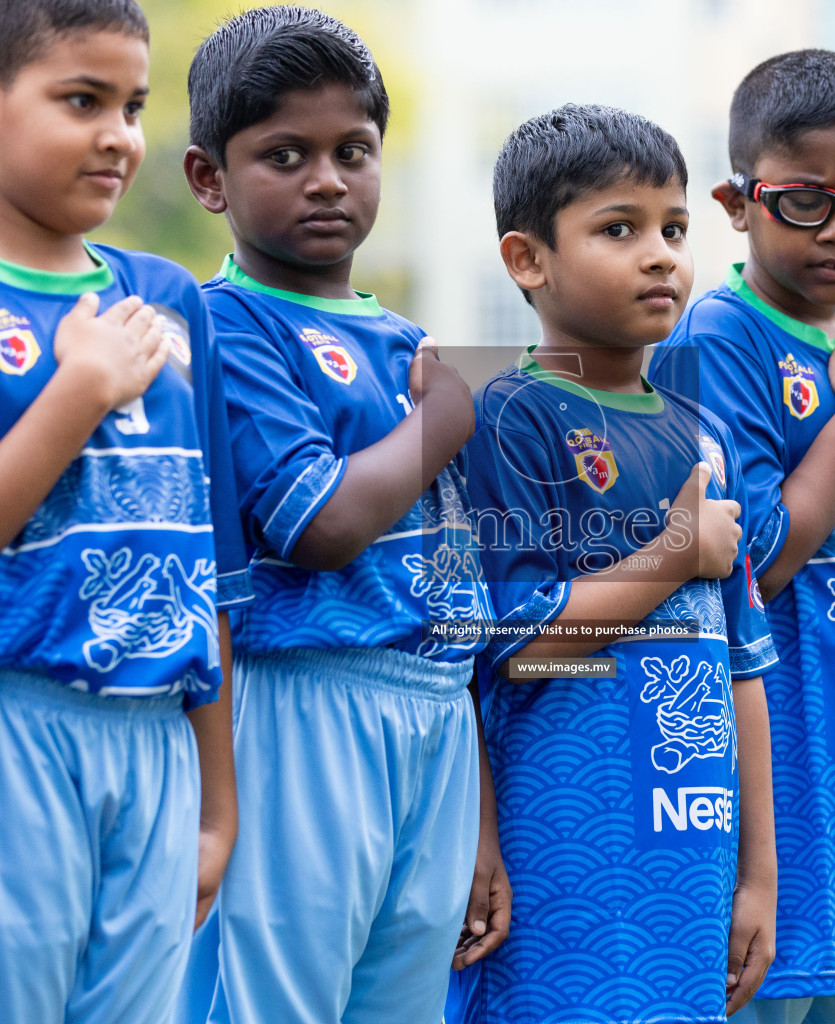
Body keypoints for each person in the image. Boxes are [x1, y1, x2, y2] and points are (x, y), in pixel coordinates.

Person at [0, 2, 252, 1021]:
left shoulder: (168, 299)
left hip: (159, 742)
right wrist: (75, 397)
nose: (119, 134)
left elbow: (205, 570)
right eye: (82, 100)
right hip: (1, 725)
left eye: (134, 104)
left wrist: (217, 804)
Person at [180, 8, 504, 1023]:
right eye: (286, 153)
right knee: (281, 998)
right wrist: (447, 416)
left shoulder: (408, 338)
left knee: (401, 1002)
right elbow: (321, 524)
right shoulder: (225, 322)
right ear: (209, 179)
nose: (326, 178)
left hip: (436, 713)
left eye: (351, 151)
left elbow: (466, 602)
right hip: (305, 701)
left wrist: (485, 824)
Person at [460, 102, 779, 1024]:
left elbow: (743, 667)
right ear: (528, 260)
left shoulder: (704, 434)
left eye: (674, 228)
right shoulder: (508, 417)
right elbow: (517, 650)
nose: (661, 254)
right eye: (619, 228)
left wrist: (758, 873)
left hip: (696, 858)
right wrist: (675, 553)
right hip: (565, 854)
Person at [649, 49, 835, 1024]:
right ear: (738, 200)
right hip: (785, 800)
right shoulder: (722, 339)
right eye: (808, 201)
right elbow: (755, 559)